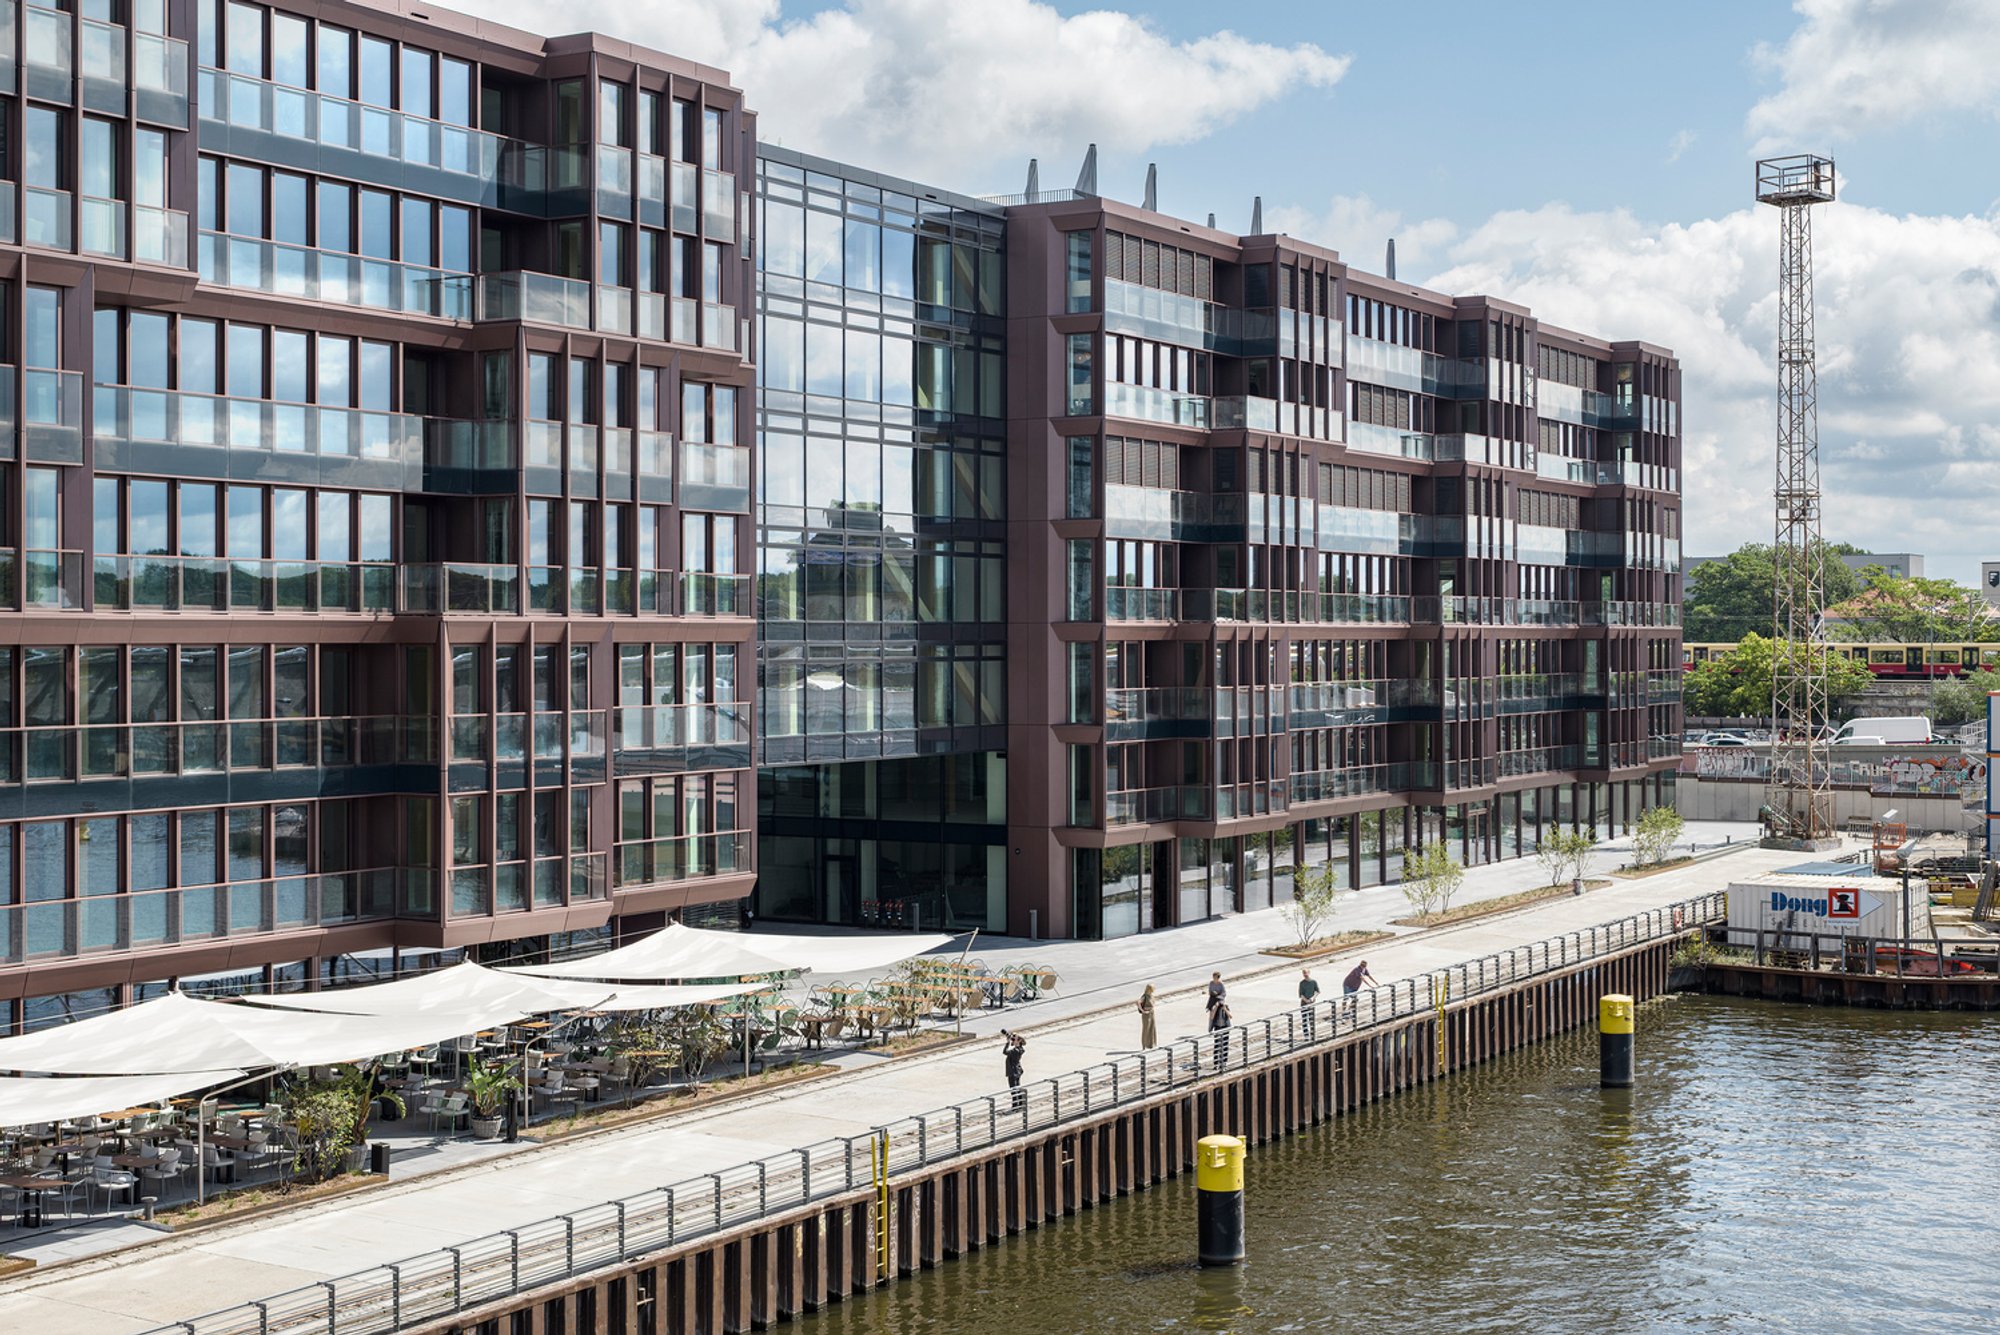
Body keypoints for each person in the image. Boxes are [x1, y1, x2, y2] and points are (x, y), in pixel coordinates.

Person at [1003, 1030, 1027, 1112]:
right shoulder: (1019, 1049)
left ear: (1019, 1041)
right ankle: (1020, 1105)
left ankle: (1015, 1106)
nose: (1013, 1040)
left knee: (1014, 1090)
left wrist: (1007, 1043)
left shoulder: (1016, 1051)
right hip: (1017, 1071)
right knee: (1017, 1088)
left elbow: (1005, 1052)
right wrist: (1011, 1039)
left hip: (1013, 1072)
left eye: (1015, 1039)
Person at [1208, 999, 1232, 1070]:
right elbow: (1211, 1017)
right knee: (1217, 1046)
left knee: (1225, 1045)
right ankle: (1216, 1064)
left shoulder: (1226, 1006)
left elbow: (1230, 1016)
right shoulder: (1214, 1007)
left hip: (1225, 1028)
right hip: (1218, 1028)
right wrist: (1216, 1007)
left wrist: (1225, 1009)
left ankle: (1224, 1063)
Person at [1298, 968, 1321, 1041]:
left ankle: (1313, 1035)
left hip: (1311, 1003)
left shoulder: (1313, 982)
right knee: (1304, 1020)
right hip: (1304, 1003)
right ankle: (1306, 1036)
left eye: (1306, 973)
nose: (1305, 974)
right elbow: (1301, 994)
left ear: (1309, 973)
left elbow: (1317, 991)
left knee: (1311, 1020)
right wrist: (1306, 1000)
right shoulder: (1302, 983)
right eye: (1304, 973)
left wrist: (1313, 998)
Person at [1136, 984, 1158, 1049]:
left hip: (1152, 1013)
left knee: (1152, 1027)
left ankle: (1151, 1044)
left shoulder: (1151, 996)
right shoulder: (1145, 996)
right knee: (1146, 1029)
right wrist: (1143, 1011)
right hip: (1146, 1014)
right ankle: (1144, 1045)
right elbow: (1138, 1002)